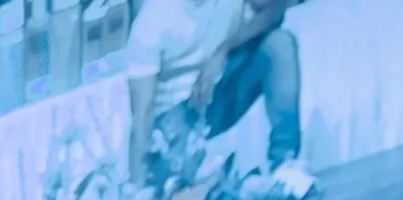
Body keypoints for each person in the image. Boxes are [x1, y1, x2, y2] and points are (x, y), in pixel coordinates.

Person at [127, 0, 307, 189]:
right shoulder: (152, 19)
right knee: (184, 199)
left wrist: (225, 48)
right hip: (175, 120)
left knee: (279, 43)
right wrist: (137, 190)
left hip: (217, 95)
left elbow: (276, 8)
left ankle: (284, 167)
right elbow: (142, 115)